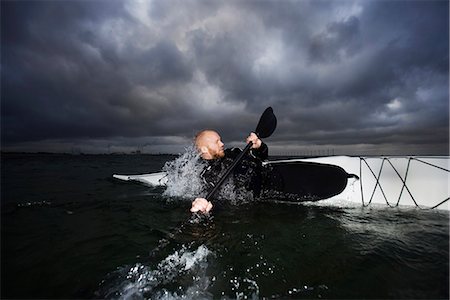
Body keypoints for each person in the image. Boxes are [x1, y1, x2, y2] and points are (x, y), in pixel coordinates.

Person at [190, 130, 268, 213]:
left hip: (261, 195)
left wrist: (259, 146)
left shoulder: (234, 153)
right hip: (236, 211)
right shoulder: (199, 173)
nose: (222, 144)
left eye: (220, 140)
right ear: (204, 149)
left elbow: (260, 157)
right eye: (217, 142)